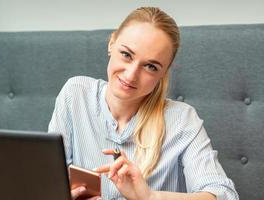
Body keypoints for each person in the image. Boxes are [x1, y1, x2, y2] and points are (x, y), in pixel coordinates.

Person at [48, 7, 239, 200]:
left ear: (164, 72)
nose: (131, 75)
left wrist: (149, 197)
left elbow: (224, 195)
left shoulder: (182, 120)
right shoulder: (75, 93)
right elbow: (50, 179)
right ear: (111, 43)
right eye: (126, 54)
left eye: (150, 66)